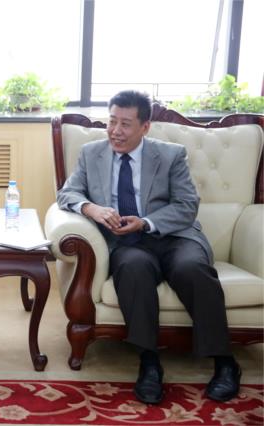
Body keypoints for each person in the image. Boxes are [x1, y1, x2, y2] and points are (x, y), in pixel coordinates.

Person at [56, 90, 240, 405]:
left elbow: (186, 205)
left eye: (125, 124)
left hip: (174, 237)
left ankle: (225, 362)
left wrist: (145, 222)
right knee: (133, 269)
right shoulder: (91, 153)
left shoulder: (170, 155)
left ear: (145, 127)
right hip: (126, 243)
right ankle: (149, 363)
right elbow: (67, 193)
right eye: (112, 121)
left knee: (193, 269)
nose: (115, 131)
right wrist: (91, 209)